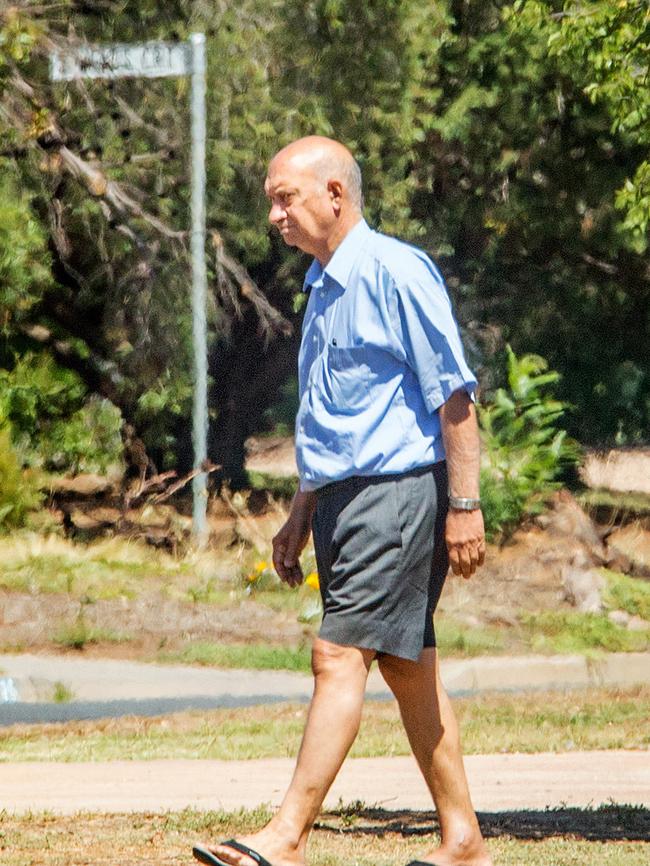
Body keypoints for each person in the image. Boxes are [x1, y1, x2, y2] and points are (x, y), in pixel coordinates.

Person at [193, 136, 492, 866]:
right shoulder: (323, 283)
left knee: (338, 656)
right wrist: (301, 509)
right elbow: (332, 415)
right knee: (407, 667)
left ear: (335, 193)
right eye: (272, 199)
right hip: (344, 498)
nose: (274, 215)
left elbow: (453, 395)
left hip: (397, 494)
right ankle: (464, 840)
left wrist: (465, 504)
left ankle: (287, 837)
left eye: (285, 197)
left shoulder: (395, 271)